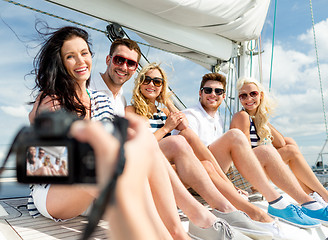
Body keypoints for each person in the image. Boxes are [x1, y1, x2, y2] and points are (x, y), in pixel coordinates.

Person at [27, 26, 247, 240]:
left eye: (84, 53)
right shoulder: (53, 100)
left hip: (95, 194)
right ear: (61, 63)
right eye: (70, 56)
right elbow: (40, 165)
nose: (80, 61)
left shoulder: (101, 100)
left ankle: (181, 230)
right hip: (56, 192)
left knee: (142, 144)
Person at [90, 39, 254, 239]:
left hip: (163, 170)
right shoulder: (129, 109)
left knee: (203, 161)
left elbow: (187, 131)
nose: (152, 84)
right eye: (147, 80)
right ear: (139, 82)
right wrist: (167, 127)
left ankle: (227, 207)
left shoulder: (157, 110)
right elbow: (142, 145)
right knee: (178, 142)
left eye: (157, 82)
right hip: (140, 170)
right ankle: (220, 212)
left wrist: (167, 100)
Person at [173, 72, 325, 228]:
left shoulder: (216, 119)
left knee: (287, 144)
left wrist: (261, 118)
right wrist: (229, 185)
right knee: (246, 141)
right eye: (208, 90)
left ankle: (311, 201)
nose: (213, 94)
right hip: (200, 179)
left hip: (220, 174)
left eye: (218, 91)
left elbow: (279, 142)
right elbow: (190, 155)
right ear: (200, 93)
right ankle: (293, 203)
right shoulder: (191, 115)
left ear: (224, 96)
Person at [231, 76, 328, 223]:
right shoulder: (242, 116)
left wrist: (261, 118)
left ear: (261, 95)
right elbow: (243, 155)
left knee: (290, 143)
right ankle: (318, 199)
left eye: (253, 94)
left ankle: (315, 196)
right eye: (243, 95)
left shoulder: (254, 118)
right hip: (246, 176)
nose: (248, 98)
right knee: (290, 151)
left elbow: (281, 142)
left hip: (254, 172)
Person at [89, 38, 141, 117]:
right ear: (108, 60)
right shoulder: (86, 89)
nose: (124, 67)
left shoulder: (122, 101)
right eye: (119, 60)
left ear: (135, 70)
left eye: (131, 63)